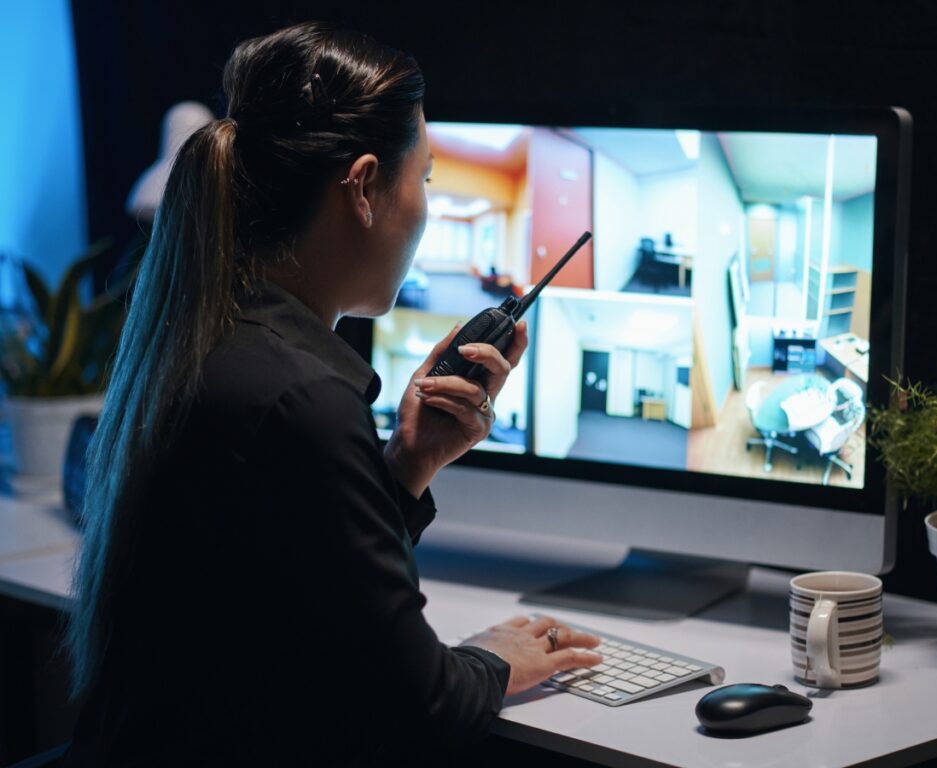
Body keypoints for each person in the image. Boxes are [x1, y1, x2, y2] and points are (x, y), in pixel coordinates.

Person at [62, 21, 601, 767]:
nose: (426, 207)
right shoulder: (302, 396)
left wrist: (406, 465)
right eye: (425, 180)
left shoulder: (212, 334)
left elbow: (297, 593)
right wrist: (493, 660)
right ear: (365, 187)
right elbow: (421, 706)